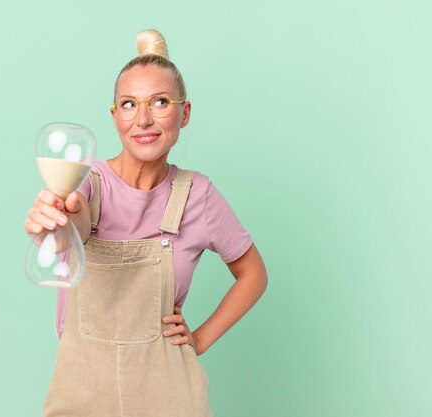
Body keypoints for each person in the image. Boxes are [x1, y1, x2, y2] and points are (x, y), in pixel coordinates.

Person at [24, 29, 268, 417]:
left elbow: (253, 274)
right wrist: (53, 225)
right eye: (128, 104)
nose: (143, 119)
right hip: (83, 391)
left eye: (160, 102)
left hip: (168, 395)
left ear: (184, 113)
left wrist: (200, 340)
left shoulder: (197, 195)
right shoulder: (87, 183)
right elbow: (76, 223)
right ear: (114, 115)